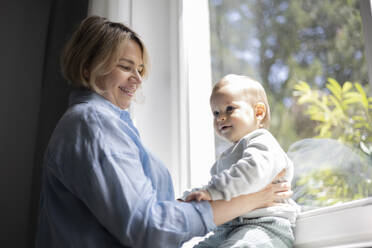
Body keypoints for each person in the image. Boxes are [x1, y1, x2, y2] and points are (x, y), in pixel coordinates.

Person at [35, 16, 293, 248]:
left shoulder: (107, 125)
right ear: (87, 68)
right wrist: (248, 201)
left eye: (140, 70)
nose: (137, 79)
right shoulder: (93, 123)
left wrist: (203, 198)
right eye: (125, 67)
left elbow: (147, 213)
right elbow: (148, 227)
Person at [183, 74, 300, 248]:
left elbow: (251, 171)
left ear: (258, 112)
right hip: (227, 228)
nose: (221, 117)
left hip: (264, 226)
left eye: (229, 109)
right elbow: (216, 189)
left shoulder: (262, 141)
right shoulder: (226, 158)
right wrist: (189, 198)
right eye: (216, 113)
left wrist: (212, 191)